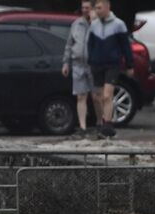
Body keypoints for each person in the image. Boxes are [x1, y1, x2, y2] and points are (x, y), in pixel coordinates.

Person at [87, 0, 132, 139]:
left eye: (100, 8)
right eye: (96, 8)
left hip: (112, 64)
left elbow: (126, 46)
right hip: (97, 64)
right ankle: (101, 123)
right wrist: (91, 60)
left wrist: (130, 64)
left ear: (107, 7)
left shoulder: (118, 24)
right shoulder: (94, 25)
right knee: (98, 97)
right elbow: (91, 44)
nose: (98, 11)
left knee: (107, 95)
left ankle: (108, 124)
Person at [61, 1, 93, 135]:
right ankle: (82, 126)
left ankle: (101, 122)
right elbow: (69, 44)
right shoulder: (76, 24)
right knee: (81, 96)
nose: (84, 10)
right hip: (78, 64)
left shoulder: (97, 24)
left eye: (87, 8)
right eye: (83, 8)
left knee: (97, 96)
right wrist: (66, 63)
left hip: (93, 64)